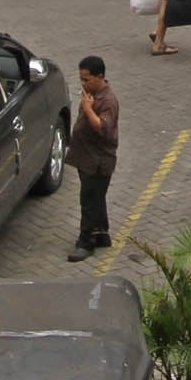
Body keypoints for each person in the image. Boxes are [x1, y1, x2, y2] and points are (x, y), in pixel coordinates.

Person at [67, 54, 120, 261]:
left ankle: (86, 241)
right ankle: (101, 233)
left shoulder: (108, 101)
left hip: (98, 161)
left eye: (87, 79)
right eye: (81, 79)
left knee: (89, 199)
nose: (83, 83)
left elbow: (103, 128)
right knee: (96, 197)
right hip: (86, 157)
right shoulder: (92, 94)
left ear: (100, 77)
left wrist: (88, 109)